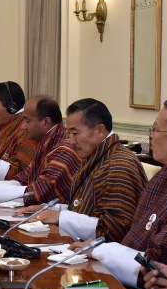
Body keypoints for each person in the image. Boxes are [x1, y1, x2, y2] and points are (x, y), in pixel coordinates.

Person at [68, 97, 167, 289]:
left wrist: (102, 250)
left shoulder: (119, 165)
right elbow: (135, 239)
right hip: (119, 269)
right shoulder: (164, 176)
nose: (151, 136)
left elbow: (118, 231)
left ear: (99, 131)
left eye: (155, 129)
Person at [16, 98, 146, 243]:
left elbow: (114, 230)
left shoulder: (118, 166)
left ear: (99, 131)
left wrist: (60, 217)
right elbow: (83, 207)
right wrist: (49, 210)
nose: (71, 141)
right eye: (69, 133)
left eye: (75, 133)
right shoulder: (96, 155)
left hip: (101, 255)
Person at [0, 96, 81, 205]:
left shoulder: (65, 148)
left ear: (45, 122)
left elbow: (40, 193)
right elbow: (23, 178)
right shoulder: (46, 140)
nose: (23, 126)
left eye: (27, 121)